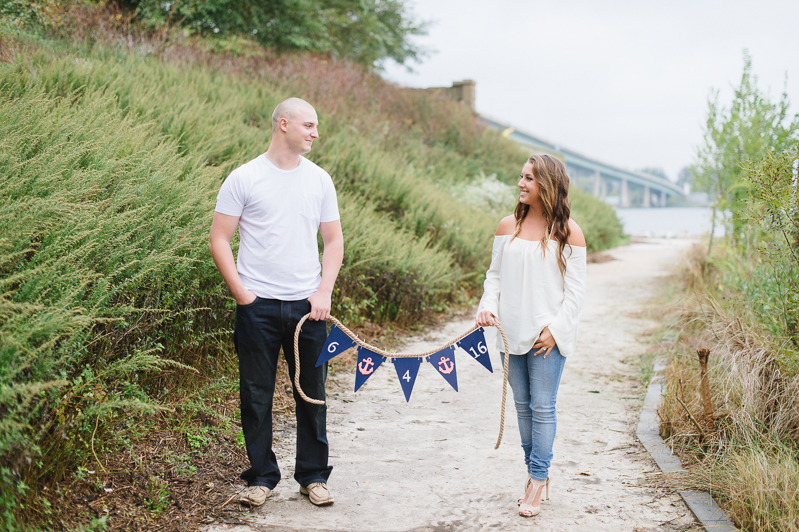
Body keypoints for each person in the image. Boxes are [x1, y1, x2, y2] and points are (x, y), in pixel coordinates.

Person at [209, 97, 344, 508]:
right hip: (258, 307)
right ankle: (262, 477)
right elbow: (219, 239)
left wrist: (324, 291)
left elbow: (334, 240)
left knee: (312, 393)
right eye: (308, 125)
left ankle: (313, 477)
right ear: (283, 124)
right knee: (255, 395)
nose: (315, 133)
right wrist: (242, 295)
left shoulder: (320, 180)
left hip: (308, 308)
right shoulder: (244, 178)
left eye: (316, 126)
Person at [476, 154, 586, 518]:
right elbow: (493, 276)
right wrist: (487, 305)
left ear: (548, 186)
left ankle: (537, 480)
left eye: (529, 179)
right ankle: (533, 471)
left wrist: (555, 331)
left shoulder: (568, 231)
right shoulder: (507, 226)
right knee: (522, 407)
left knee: (543, 407)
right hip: (509, 332)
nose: (521, 183)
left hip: (546, 338)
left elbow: (576, 292)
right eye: (521, 176)